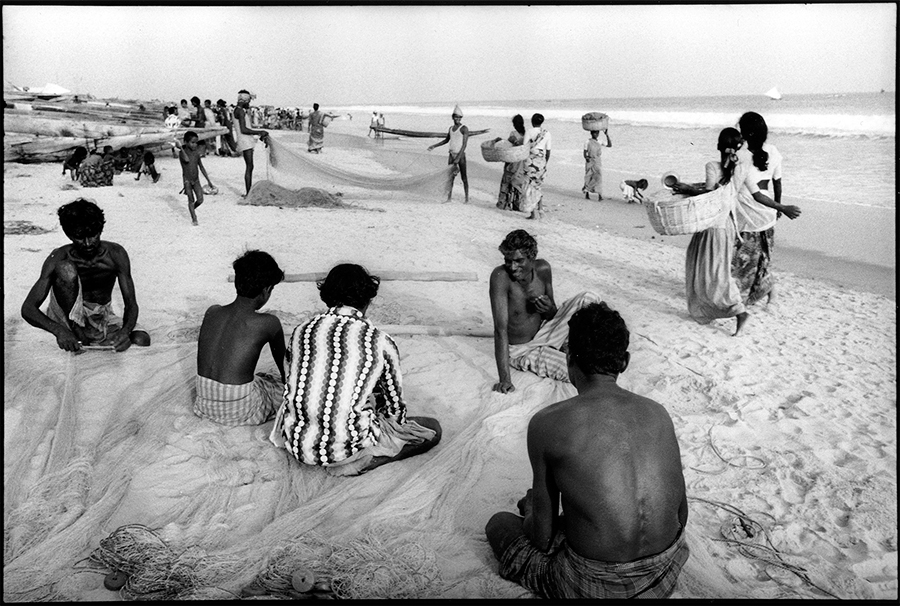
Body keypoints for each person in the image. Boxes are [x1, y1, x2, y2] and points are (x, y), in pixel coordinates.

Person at [485, 302, 690, 599]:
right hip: (665, 569)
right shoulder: (658, 413)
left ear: (569, 359)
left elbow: (541, 538)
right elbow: (681, 516)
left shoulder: (548, 423)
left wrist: (532, 510)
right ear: (625, 361)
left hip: (592, 583)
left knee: (499, 524)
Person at [270, 263, 442, 476]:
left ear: (326, 296)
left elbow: (291, 381)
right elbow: (396, 411)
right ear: (368, 299)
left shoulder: (302, 330)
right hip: (343, 449)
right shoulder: (380, 341)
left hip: (297, 443)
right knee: (433, 429)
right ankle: (366, 460)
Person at [21, 198, 151, 352]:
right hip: (66, 315)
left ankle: (86, 334)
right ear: (69, 235)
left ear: (100, 230)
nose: (88, 243)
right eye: (80, 237)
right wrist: (59, 331)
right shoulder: (59, 256)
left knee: (141, 340)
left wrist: (125, 332)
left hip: (100, 314)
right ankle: (75, 331)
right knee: (65, 268)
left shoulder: (116, 254)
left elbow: (131, 303)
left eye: (92, 235)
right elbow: (28, 308)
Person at [490, 230, 601, 393]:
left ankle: (572, 346)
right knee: (583, 372)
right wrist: (505, 380)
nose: (513, 267)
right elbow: (500, 330)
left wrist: (548, 308)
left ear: (531, 258)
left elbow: (552, 316)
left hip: (545, 331)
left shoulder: (543, 269)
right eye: (508, 261)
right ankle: (566, 349)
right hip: (524, 349)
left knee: (589, 297)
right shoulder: (500, 277)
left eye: (519, 261)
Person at [194, 250, 286, 426]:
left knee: (262, 379)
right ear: (267, 290)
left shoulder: (212, 311)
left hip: (204, 401)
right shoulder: (269, 323)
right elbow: (285, 368)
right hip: (240, 410)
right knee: (275, 385)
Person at [675, 128, 750, 335]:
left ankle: (738, 310)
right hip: (727, 226)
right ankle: (727, 309)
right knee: (719, 270)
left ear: (718, 146)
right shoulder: (741, 169)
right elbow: (724, 191)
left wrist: (687, 189)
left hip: (711, 225)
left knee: (706, 269)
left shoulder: (712, 166)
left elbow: (710, 194)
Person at [732, 111, 801, 306]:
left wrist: (781, 207)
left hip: (747, 211)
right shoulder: (773, 151)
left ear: (746, 132)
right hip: (768, 211)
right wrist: (779, 207)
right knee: (764, 256)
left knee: (741, 258)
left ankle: (739, 295)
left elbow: (748, 191)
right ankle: (771, 294)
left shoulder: (741, 156)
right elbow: (777, 183)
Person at [427, 105, 469, 203]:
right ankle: (448, 198)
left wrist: (458, 158)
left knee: (464, 177)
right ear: (452, 117)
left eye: (459, 117)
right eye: (456, 117)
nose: (457, 119)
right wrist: (434, 146)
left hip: (460, 155)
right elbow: (446, 140)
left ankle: (466, 199)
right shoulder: (450, 128)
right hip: (451, 155)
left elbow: (464, 145)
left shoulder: (464, 128)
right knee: (450, 177)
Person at [233, 89, 269, 197]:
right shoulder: (240, 111)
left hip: (246, 139)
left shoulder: (238, 110)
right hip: (245, 140)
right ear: (244, 100)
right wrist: (259, 132)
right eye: (248, 101)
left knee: (250, 166)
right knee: (249, 166)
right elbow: (244, 129)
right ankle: (248, 193)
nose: (249, 104)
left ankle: (248, 192)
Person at [179, 131, 215, 226]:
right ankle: (194, 217)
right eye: (192, 142)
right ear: (186, 142)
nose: (195, 145)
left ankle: (192, 209)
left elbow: (201, 167)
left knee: (200, 200)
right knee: (190, 199)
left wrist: (209, 181)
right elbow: (186, 160)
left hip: (196, 180)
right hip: (187, 180)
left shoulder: (196, 153)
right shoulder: (181, 153)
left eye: (196, 142)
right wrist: (181, 149)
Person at [521, 113, 552, 220]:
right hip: (541, 161)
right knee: (538, 185)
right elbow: (548, 151)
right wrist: (545, 163)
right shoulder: (547, 133)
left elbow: (524, 147)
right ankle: (540, 209)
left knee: (530, 185)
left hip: (530, 161)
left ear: (532, 121)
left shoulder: (529, 132)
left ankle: (533, 213)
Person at [495, 114, 527, 211]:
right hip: (521, 163)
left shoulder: (513, 134)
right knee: (518, 184)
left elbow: (508, 144)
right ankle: (518, 205)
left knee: (506, 182)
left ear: (514, 124)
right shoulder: (526, 134)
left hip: (512, 162)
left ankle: (503, 204)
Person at [582, 128, 612, 200]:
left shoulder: (599, 141)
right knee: (588, 177)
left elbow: (609, 145)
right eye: (594, 133)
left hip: (597, 161)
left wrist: (607, 135)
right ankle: (587, 194)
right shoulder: (587, 142)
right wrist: (586, 157)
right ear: (591, 134)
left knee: (598, 177)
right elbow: (585, 152)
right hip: (590, 161)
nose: (596, 135)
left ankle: (600, 196)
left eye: (597, 133)